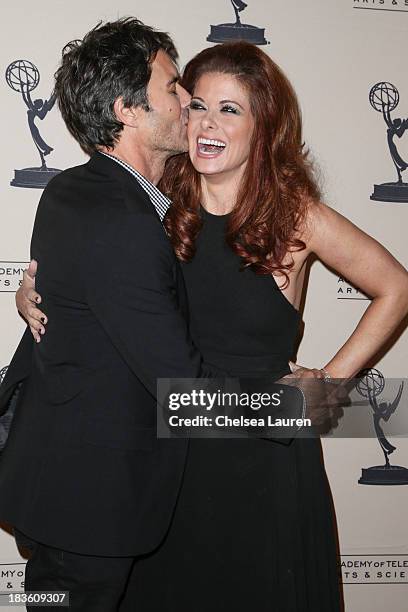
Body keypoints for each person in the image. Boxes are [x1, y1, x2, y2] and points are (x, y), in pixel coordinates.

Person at [15, 43, 408, 612]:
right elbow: (104, 288)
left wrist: (330, 383)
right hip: (168, 466)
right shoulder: (159, 209)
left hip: (263, 456)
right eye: (197, 104)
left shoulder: (294, 216)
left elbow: (395, 288)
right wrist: (37, 293)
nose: (207, 122)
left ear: (263, 125)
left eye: (231, 109)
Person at [0, 18, 234, 611]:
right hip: (92, 520)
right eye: (173, 88)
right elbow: (182, 391)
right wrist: (322, 406)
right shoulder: (123, 221)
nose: (188, 103)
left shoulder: (72, 192)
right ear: (128, 108)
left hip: (54, 499)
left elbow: (81, 316)